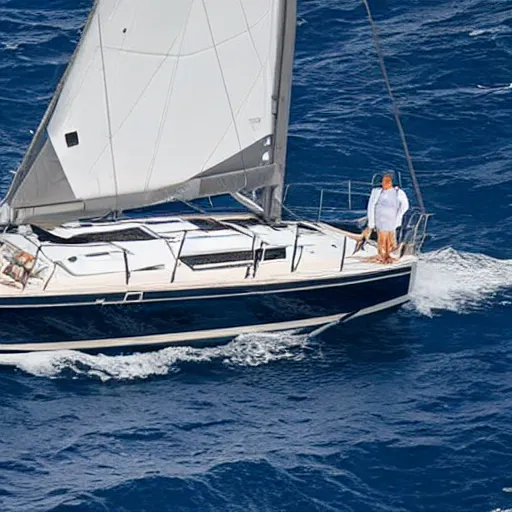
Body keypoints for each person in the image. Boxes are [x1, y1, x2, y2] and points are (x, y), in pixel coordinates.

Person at [366, 173, 409, 263]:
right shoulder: (377, 191)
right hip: (380, 220)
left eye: (387, 181)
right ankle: (382, 256)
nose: (385, 183)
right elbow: (371, 205)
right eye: (384, 181)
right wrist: (371, 222)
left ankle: (390, 255)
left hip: (391, 220)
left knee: (390, 238)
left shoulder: (398, 192)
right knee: (381, 239)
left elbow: (405, 206)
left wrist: (398, 215)